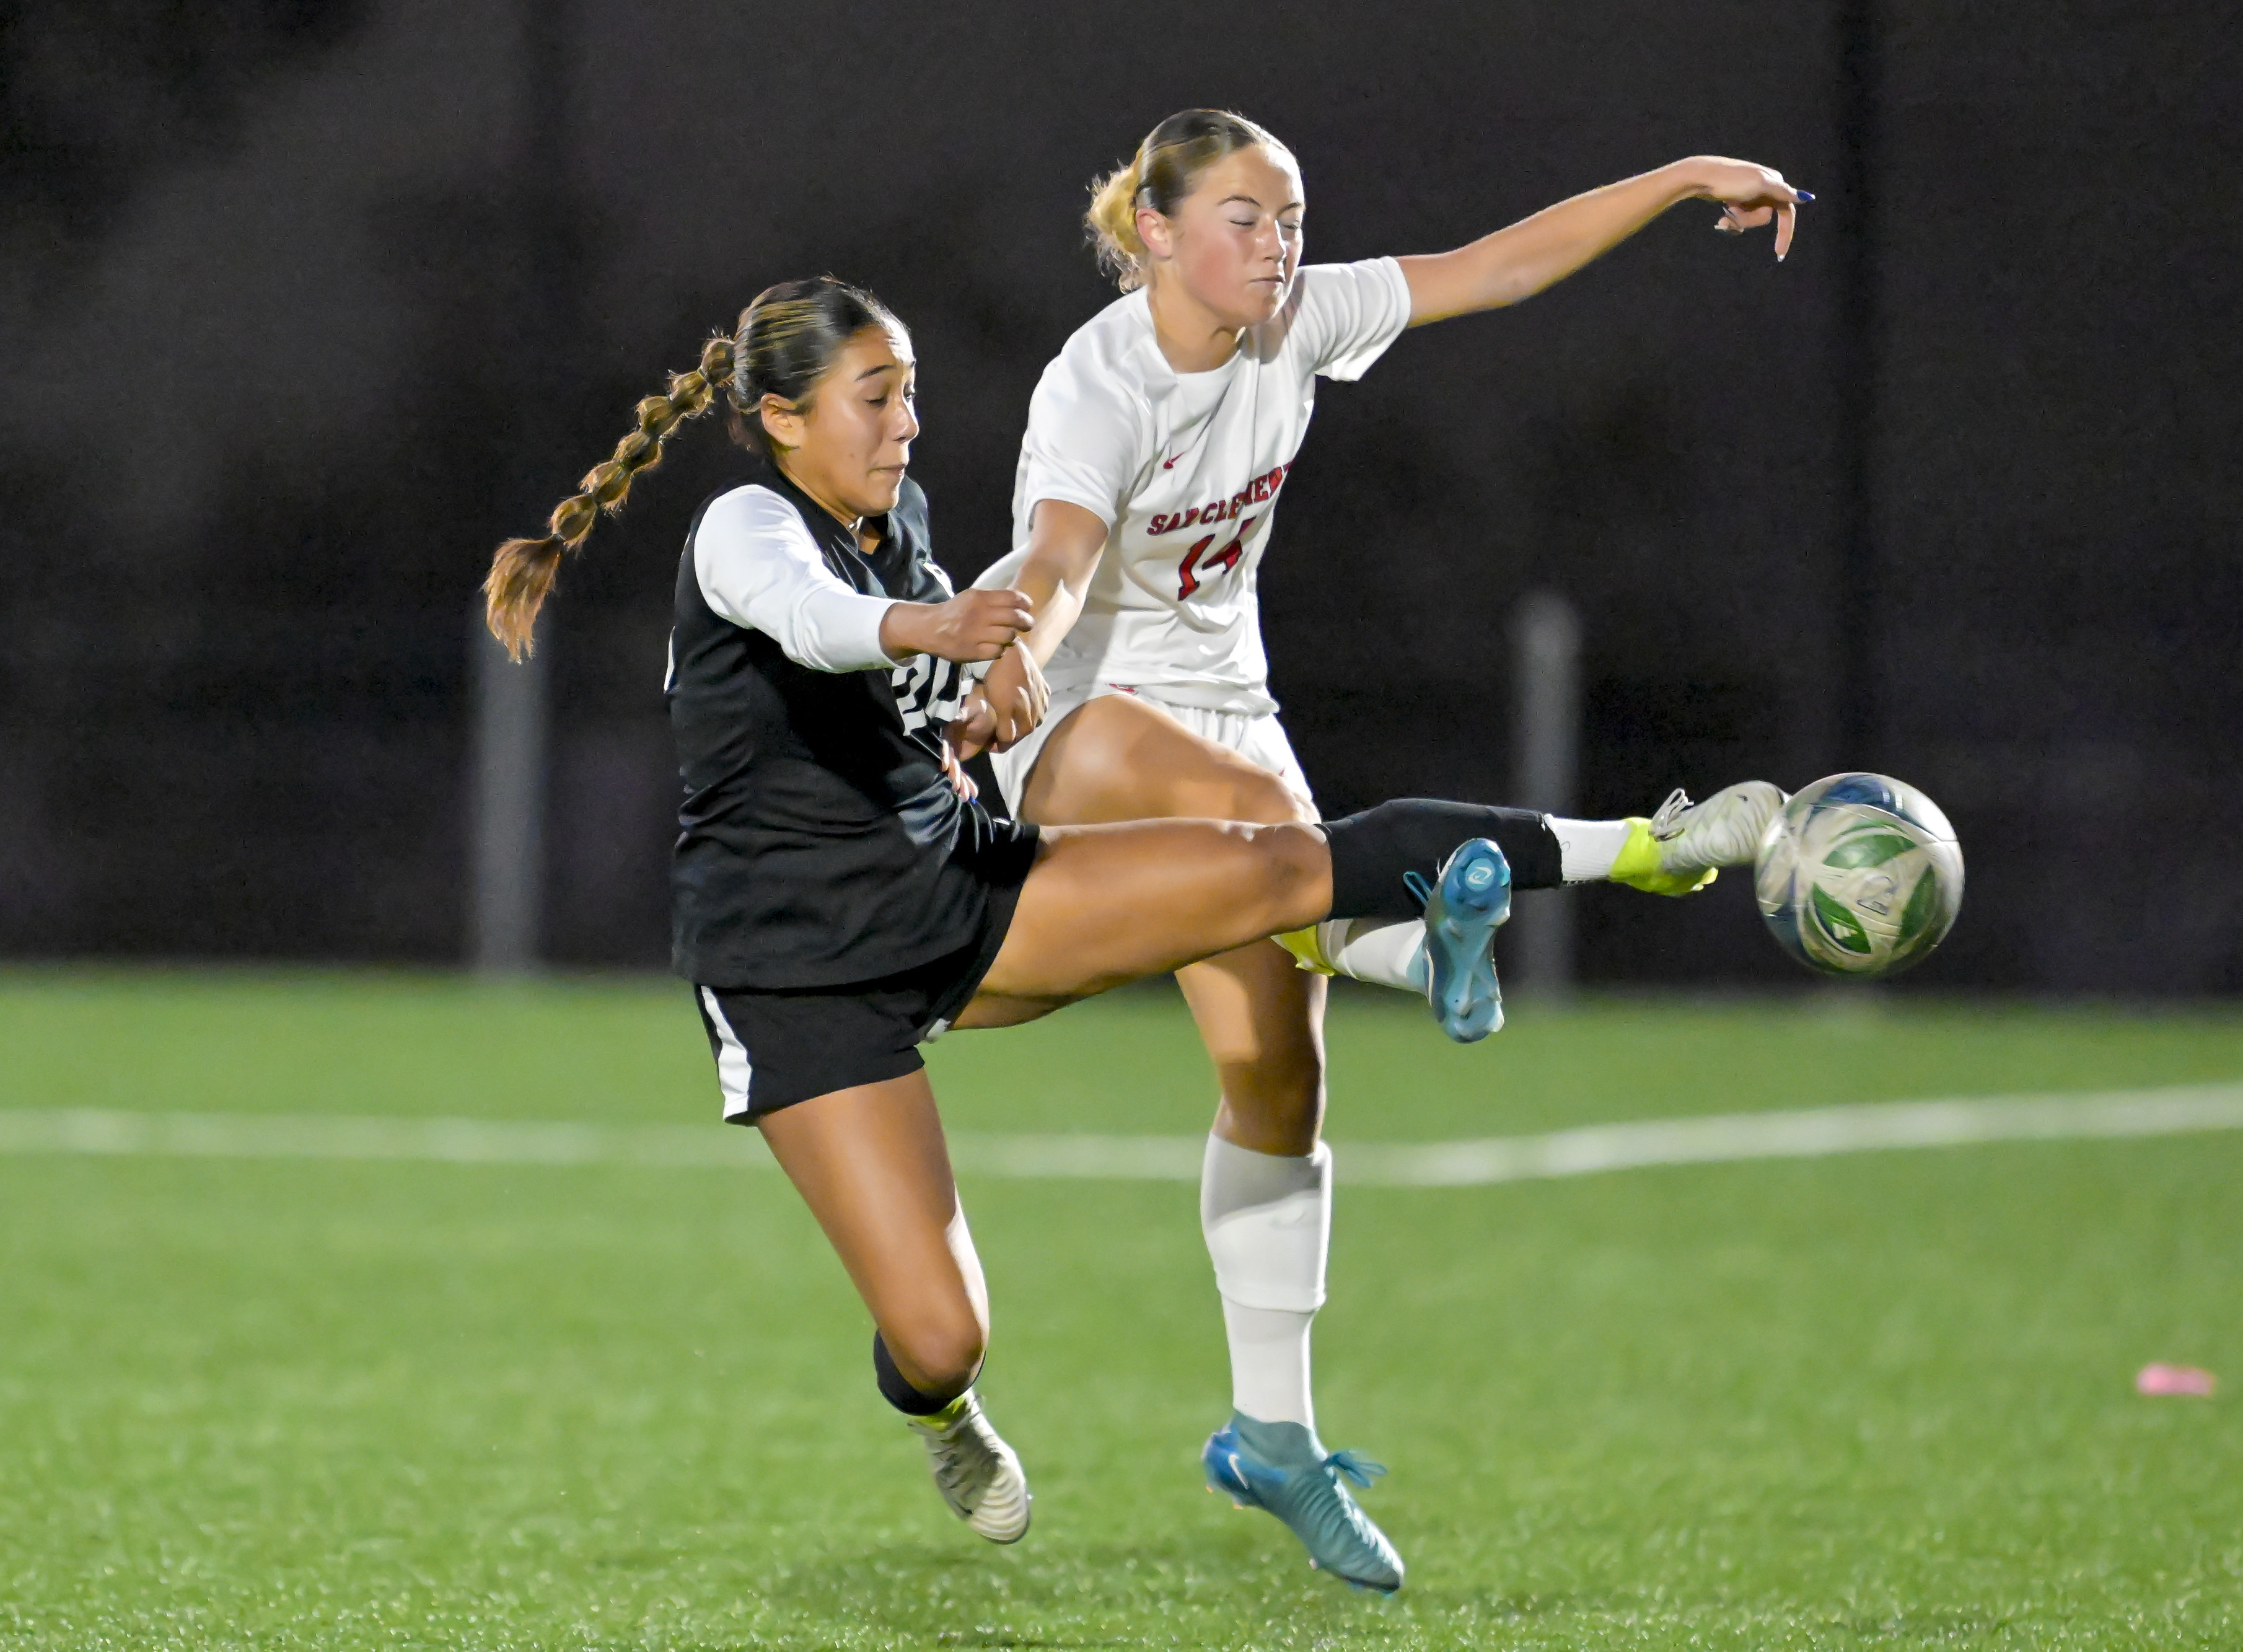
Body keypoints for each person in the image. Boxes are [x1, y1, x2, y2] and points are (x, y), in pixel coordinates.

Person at [481, 278, 1779, 1594]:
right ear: (780, 417)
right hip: (792, 968)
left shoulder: (899, 519)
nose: (907, 423)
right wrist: (935, 627)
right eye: (875, 398)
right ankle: (943, 1415)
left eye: (911, 392)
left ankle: (1644, 845)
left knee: (1270, 861)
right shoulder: (743, 524)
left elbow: (935, 665)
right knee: (941, 1337)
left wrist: (982, 687)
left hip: (954, 891)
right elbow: (817, 624)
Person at [967, 109, 1801, 1583]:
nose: (1275, 243)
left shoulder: (1299, 320)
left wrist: (1679, 177)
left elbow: (1497, 269)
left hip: (1234, 714)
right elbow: (1059, 559)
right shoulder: (1100, 377)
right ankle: (1465, 918)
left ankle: (1272, 1438)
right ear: (1155, 232)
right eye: (1242, 217)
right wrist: (1014, 658)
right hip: (1076, 713)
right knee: (1268, 850)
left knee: (1275, 1081)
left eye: (1289, 217)